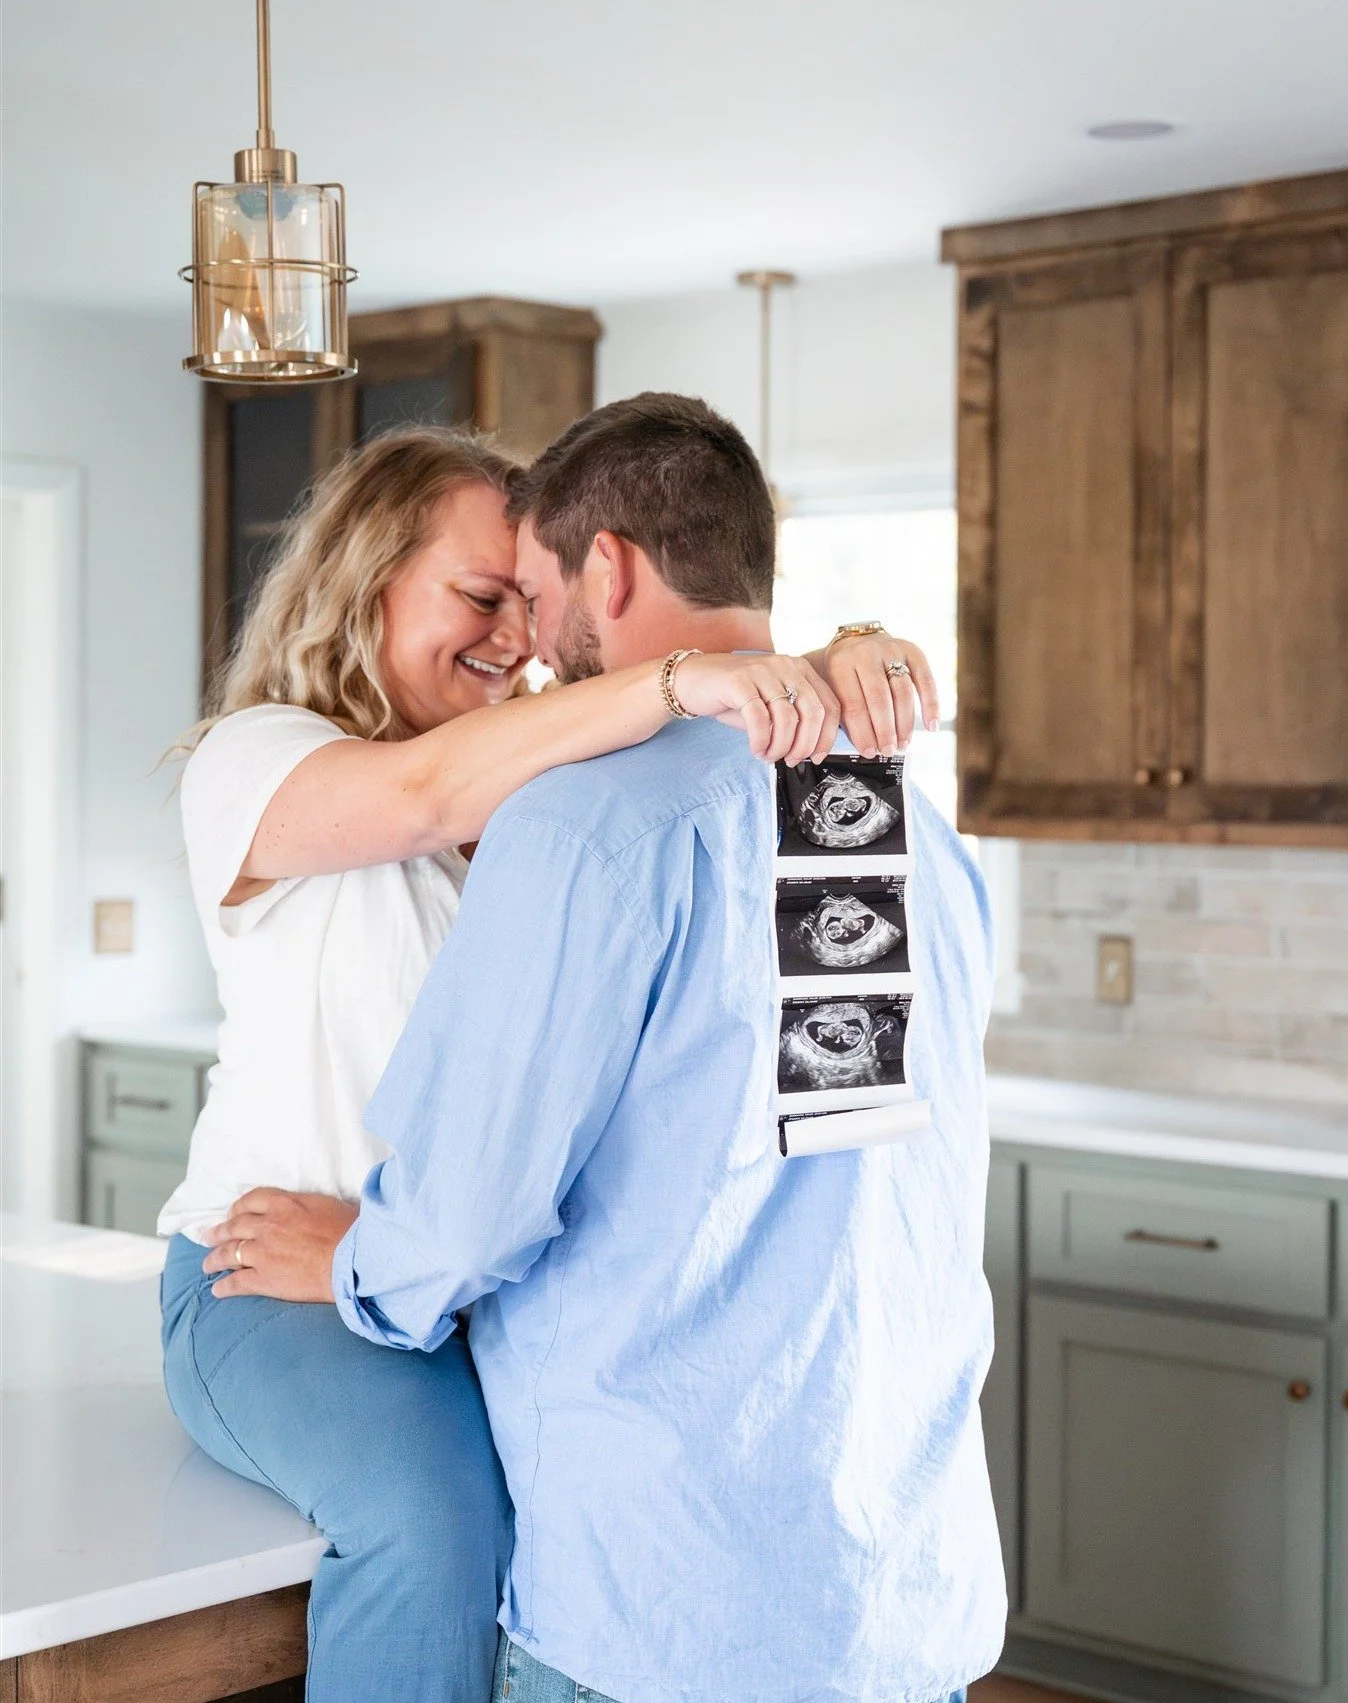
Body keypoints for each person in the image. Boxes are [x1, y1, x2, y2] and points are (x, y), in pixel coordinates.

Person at [209, 395, 1005, 1703]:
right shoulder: (899, 818)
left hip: (663, 1603)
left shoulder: (586, 827)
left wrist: (357, 1259)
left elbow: (464, 1215)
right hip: (894, 1591)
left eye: (529, 587)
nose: (526, 640)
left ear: (612, 567)